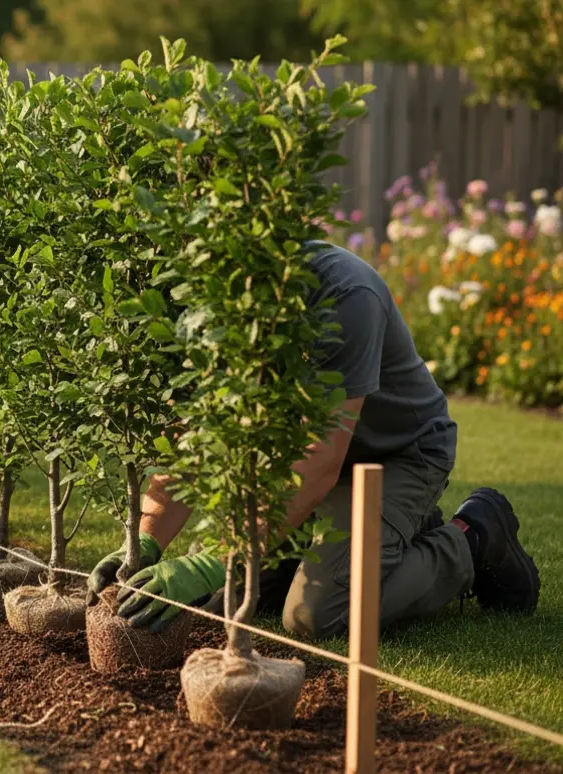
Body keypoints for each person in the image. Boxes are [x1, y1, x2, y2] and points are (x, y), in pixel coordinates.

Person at [87, 241, 541, 640]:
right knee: (228, 592)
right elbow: (187, 439)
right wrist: (146, 543)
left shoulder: (343, 294)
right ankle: (395, 536)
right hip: (304, 462)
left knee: (316, 615)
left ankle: (473, 538)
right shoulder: (212, 300)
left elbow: (320, 461)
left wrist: (212, 561)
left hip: (397, 455)